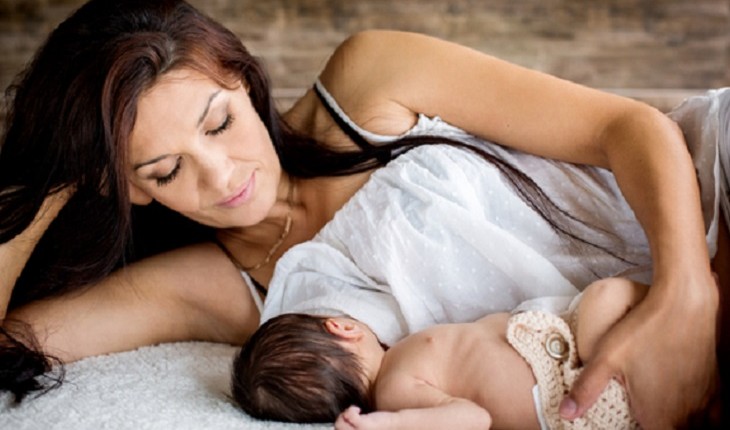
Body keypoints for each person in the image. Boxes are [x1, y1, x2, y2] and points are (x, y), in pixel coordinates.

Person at [0, 0, 723, 427]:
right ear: (128, 189)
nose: (223, 176)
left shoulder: (368, 85)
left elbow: (628, 128)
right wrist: (55, 179)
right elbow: (13, 337)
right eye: (165, 170)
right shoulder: (213, 288)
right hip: (629, 344)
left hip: (702, 194)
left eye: (219, 123)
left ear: (243, 81)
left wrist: (687, 293)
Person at [233, 278, 649, 429]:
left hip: (558, 347)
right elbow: (474, 419)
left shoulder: (400, 361)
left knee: (610, 303)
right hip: (569, 387)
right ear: (341, 327)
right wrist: (390, 423)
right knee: (608, 296)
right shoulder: (394, 391)